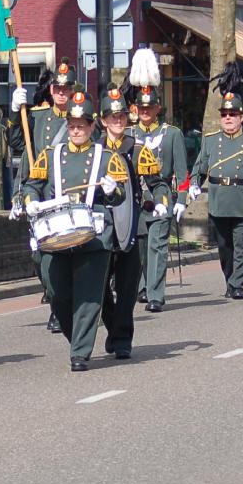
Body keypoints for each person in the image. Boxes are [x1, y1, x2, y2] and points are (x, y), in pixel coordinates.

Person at [15, 90, 127, 371]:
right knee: (57, 291)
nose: (76, 130)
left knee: (89, 296)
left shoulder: (106, 157)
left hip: (94, 236)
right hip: (57, 233)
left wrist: (112, 190)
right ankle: (75, 337)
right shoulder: (50, 155)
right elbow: (31, 186)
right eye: (72, 125)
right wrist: (30, 201)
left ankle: (80, 352)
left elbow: (120, 197)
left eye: (82, 125)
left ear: (92, 126)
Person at [187, 66, 243, 300]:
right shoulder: (211, 140)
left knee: (242, 245)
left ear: (241, 117)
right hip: (219, 201)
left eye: (232, 115)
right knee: (225, 247)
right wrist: (194, 184)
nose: (228, 118)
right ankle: (229, 278)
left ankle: (237, 283)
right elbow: (200, 167)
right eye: (224, 114)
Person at [97, 85, 165, 359]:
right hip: (101, 227)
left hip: (131, 226)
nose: (117, 121)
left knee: (127, 288)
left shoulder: (137, 149)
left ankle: (122, 338)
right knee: (100, 287)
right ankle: (113, 327)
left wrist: (161, 201)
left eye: (121, 116)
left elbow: (157, 183)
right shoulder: (94, 151)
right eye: (112, 117)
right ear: (103, 120)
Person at [12, 59, 78, 332]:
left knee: (69, 253)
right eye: (57, 88)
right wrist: (15, 112)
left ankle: (61, 309)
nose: (61, 93)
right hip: (42, 195)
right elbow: (17, 142)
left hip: (70, 196)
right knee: (40, 256)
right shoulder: (37, 117)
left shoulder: (81, 120)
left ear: (72, 90)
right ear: (51, 90)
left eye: (66, 89)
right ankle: (56, 299)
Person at [126, 48, 187, 313]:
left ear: (158, 108)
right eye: (141, 108)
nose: (145, 111)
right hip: (137, 199)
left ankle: (156, 294)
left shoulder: (171, 134)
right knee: (139, 248)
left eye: (149, 107)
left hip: (161, 197)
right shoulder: (129, 135)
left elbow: (182, 172)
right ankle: (142, 286)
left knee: (158, 246)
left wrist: (181, 199)